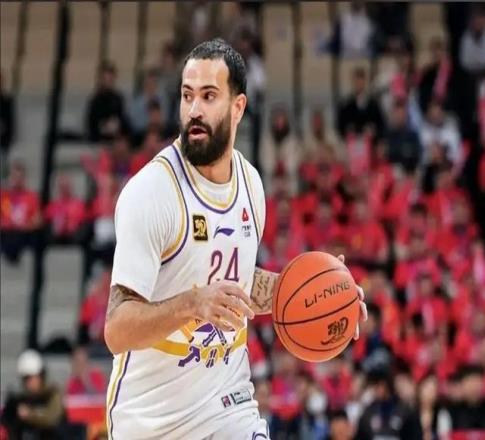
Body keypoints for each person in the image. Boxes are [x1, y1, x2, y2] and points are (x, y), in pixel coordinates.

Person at [104, 39, 367, 439]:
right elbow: (117, 329)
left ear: (238, 107)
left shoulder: (250, 184)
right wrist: (193, 304)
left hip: (227, 406)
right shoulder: (151, 193)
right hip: (152, 421)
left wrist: (329, 295)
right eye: (187, 95)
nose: (194, 109)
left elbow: (237, 281)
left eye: (209, 96)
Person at [1, 350, 65, 439]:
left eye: (32, 377)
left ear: (41, 376)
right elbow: (7, 422)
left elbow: (52, 418)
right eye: (26, 378)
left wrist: (30, 414)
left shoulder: (51, 394)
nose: (29, 382)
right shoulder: (19, 400)